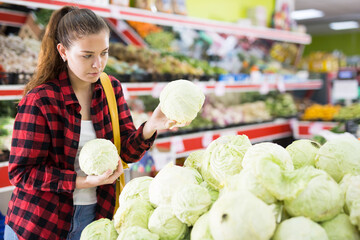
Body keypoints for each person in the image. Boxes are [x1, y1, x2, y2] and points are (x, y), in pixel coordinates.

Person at [4, 6, 184, 240]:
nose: (98, 64)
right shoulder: (40, 100)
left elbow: (125, 153)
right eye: (87, 55)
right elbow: (22, 173)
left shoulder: (111, 88)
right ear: (63, 51)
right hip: (42, 224)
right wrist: (82, 182)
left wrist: (151, 126)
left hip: (96, 218)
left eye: (104, 53)